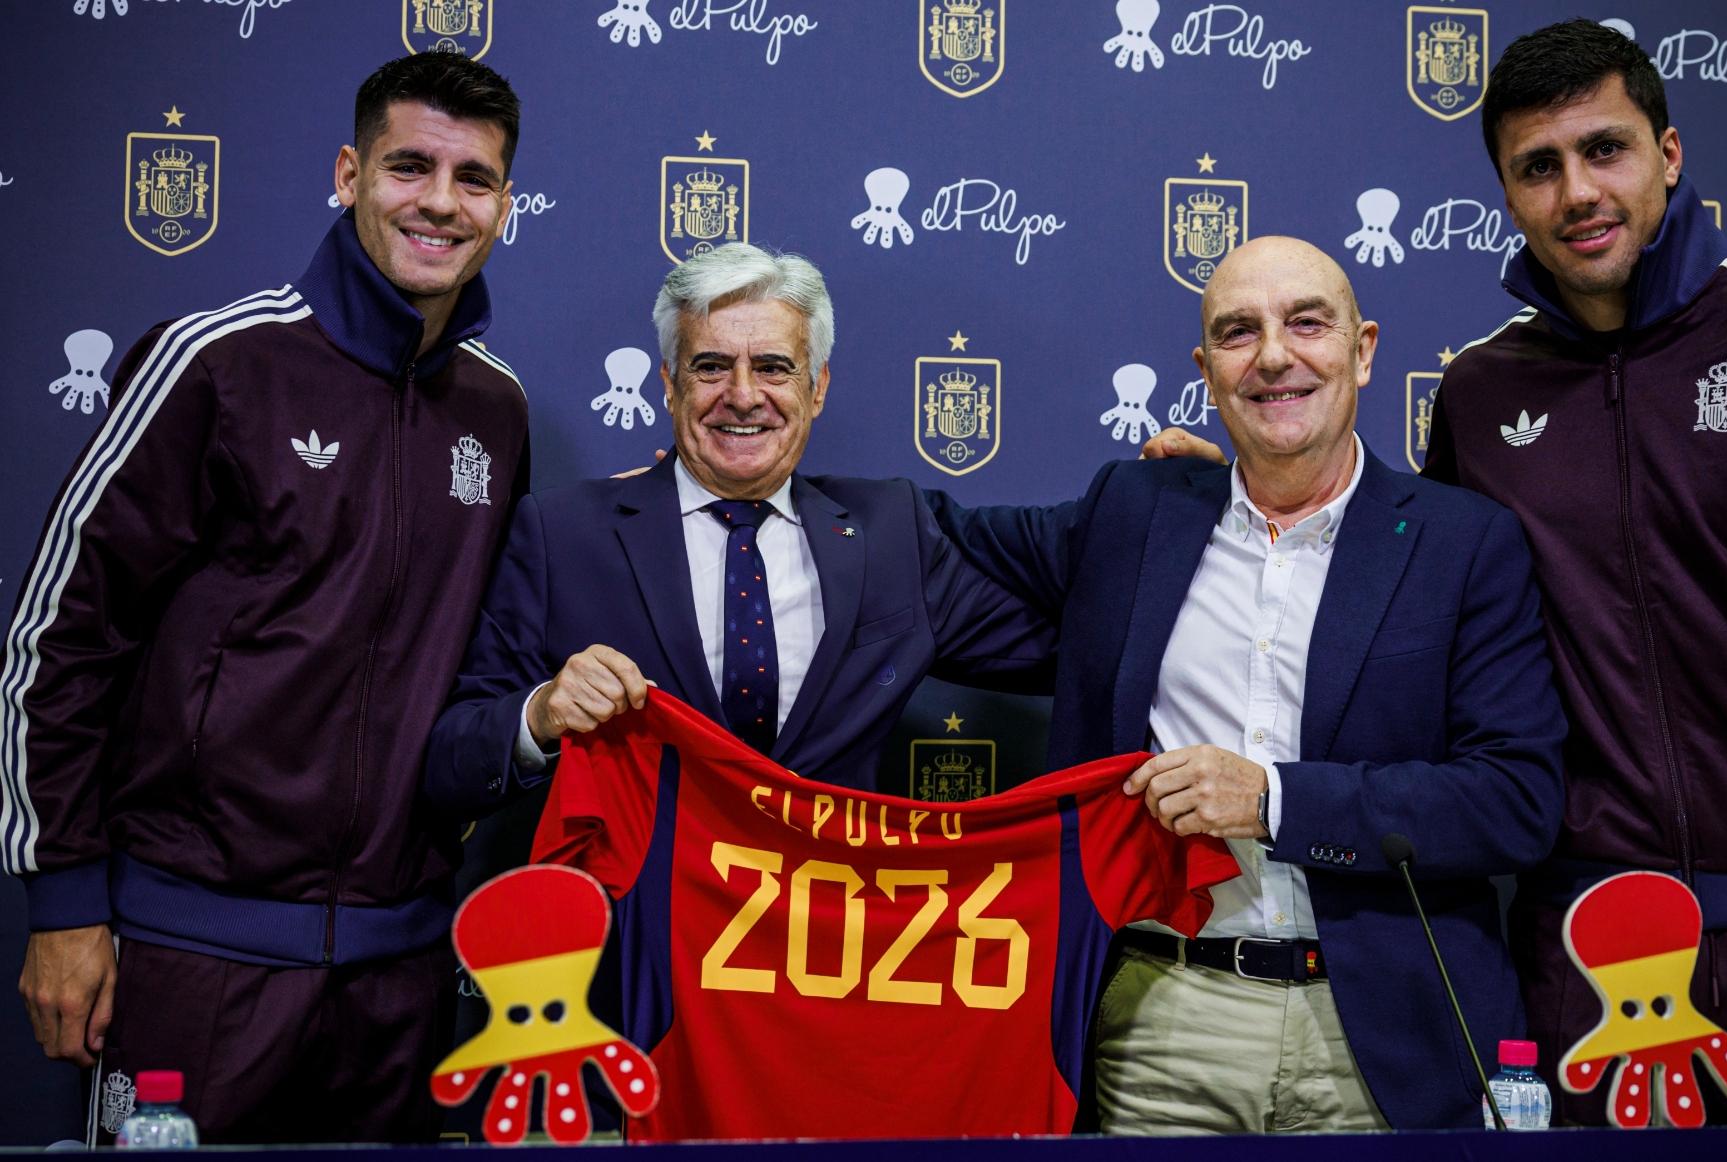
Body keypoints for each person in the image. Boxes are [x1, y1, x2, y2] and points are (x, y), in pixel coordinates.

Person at [927, 235, 1566, 1131]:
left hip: (1381, 1032)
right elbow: (927, 536)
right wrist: (704, 485)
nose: (1274, 355)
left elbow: (1515, 799)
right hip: (1164, 1022)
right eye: (1238, 332)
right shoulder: (1134, 511)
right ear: (1206, 367)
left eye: (1307, 324)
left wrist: (1272, 800)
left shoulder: (1463, 545)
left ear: (1364, 348)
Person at [4, 53, 527, 1142]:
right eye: (409, 166)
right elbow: (61, 639)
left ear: (505, 204)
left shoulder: (498, 409)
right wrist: (62, 900)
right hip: (195, 957)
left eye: (473, 178)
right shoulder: (218, 364)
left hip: (400, 975)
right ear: (347, 173)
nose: (440, 201)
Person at [1423, 18, 1727, 1123]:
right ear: (1508, 195)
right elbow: (1408, 622)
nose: (1578, 192)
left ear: (1671, 154)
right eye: (1538, 168)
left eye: (1606, 149)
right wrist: (1234, 497)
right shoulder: (1478, 394)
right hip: (1589, 969)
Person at [424, 240, 1054, 812]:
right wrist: (539, 717)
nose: (744, 395)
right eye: (711, 367)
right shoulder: (561, 535)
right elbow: (452, 755)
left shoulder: (891, 534)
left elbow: (1077, 647)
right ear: (669, 385)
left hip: (824, 925)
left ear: (818, 388)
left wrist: (1152, 498)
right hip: (637, 929)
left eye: (775, 367)